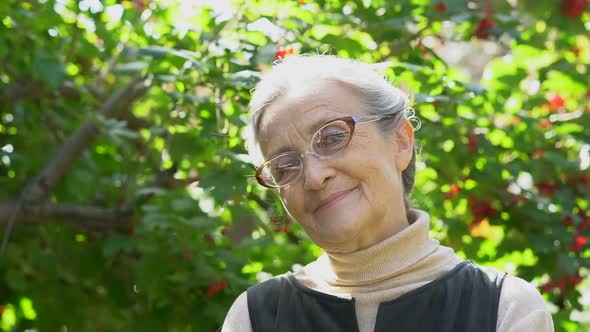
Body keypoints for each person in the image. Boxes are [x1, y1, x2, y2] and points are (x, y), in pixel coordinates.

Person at [222, 55, 553, 332]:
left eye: (333, 137)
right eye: (285, 167)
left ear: (400, 141)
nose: (314, 176)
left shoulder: (503, 308)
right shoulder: (255, 318)